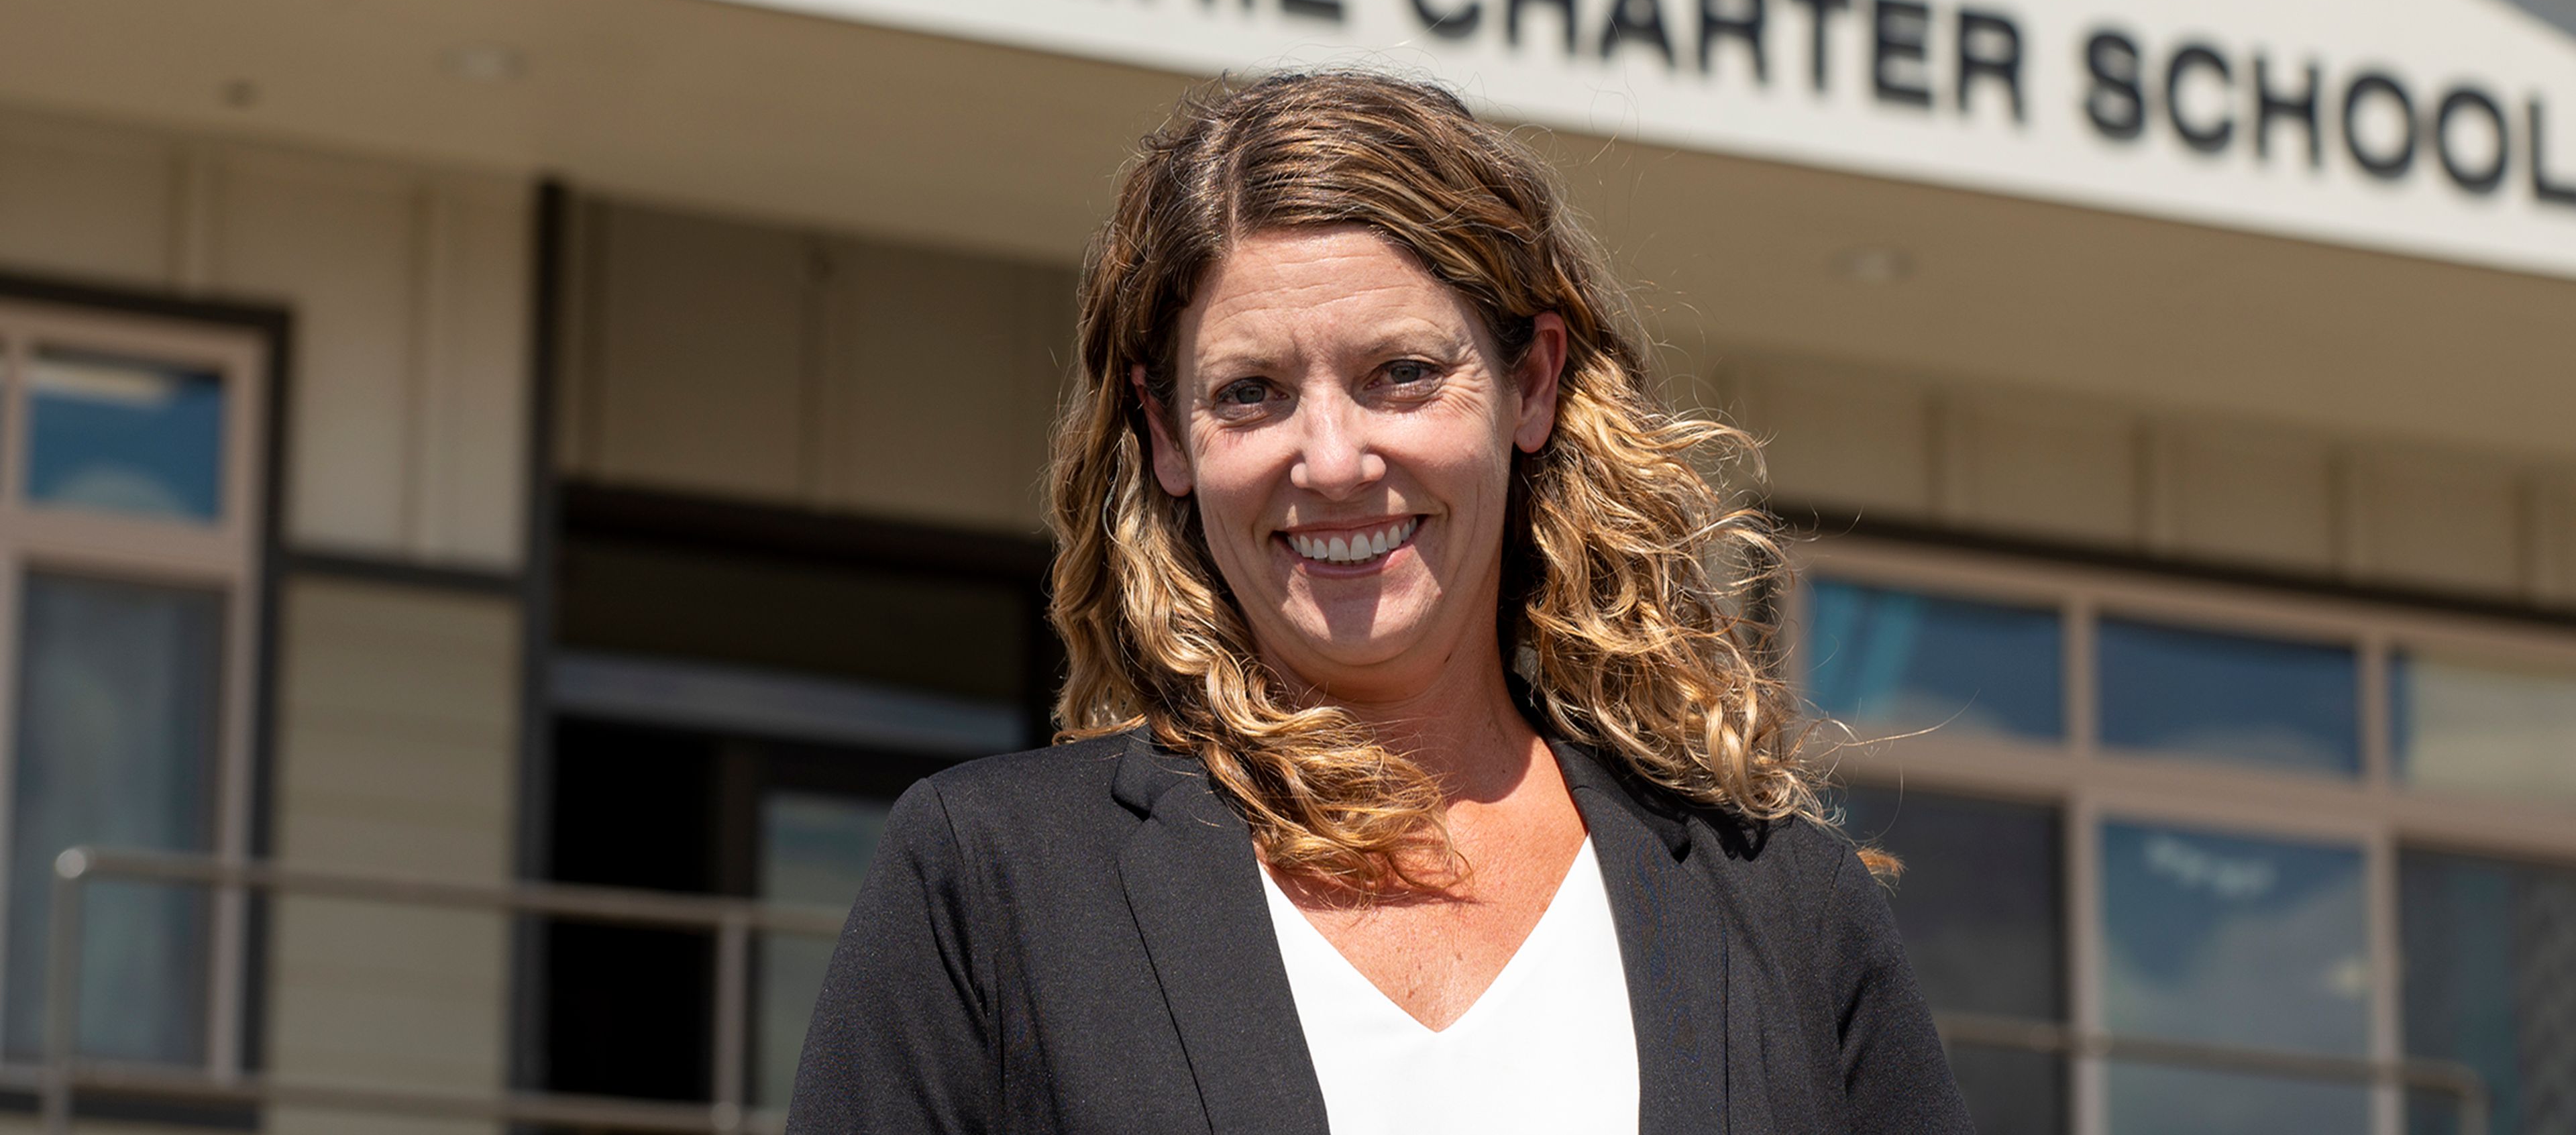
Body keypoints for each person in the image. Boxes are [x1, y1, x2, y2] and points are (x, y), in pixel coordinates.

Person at [786, 70, 1970, 1134]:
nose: (1334, 457)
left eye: (1400, 373)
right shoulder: (995, 884)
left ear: (1533, 383)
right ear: (1166, 434)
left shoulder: (1779, 907)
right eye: (1250, 392)